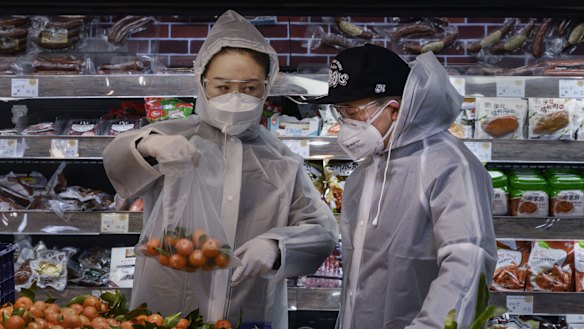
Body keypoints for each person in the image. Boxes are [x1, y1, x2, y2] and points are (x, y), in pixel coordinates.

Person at [102, 10, 338, 328]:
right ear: (202, 82)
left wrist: (277, 246)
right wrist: (148, 144)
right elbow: (115, 160)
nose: (236, 97)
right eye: (223, 87)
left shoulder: (281, 160)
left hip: (248, 312)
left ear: (266, 88)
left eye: (250, 88)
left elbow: (322, 230)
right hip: (169, 308)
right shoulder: (173, 135)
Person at [307, 44, 497, 329]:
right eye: (339, 112)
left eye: (352, 112)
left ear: (394, 108)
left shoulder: (451, 166)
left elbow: (467, 263)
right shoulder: (367, 170)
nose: (345, 125)